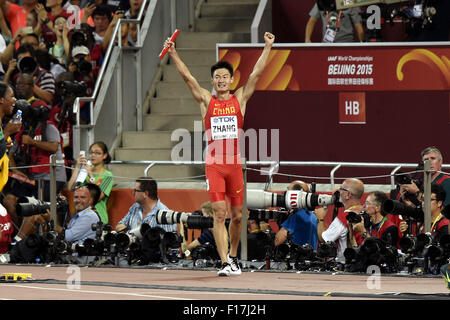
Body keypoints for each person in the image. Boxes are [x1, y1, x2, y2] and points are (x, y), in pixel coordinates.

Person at [165, 31, 275, 276]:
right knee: (219, 213)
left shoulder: (240, 99)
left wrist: (267, 47)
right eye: (217, 77)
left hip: (234, 166)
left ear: (231, 79)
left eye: (225, 76)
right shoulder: (206, 100)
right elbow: (188, 78)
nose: (221, 80)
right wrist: (173, 53)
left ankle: (233, 257)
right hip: (214, 164)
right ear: (213, 81)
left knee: (237, 217)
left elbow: (257, 73)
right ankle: (224, 261)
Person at [315, 178, 364, 262]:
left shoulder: (343, 218)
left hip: (346, 266)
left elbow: (324, 239)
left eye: (341, 189)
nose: (338, 191)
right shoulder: (365, 211)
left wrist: (320, 218)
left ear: (348, 195)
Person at [67, 141, 114, 223]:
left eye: (97, 153)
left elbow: (98, 197)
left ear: (105, 155)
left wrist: (91, 175)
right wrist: (78, 166)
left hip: (98, 217)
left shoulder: (108, 175)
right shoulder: (84, 172)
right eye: (91, 152)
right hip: (81, 217)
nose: (93, 155)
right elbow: (70, 187)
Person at [274, 180, 318, 250]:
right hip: (310, 257)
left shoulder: (297, 216)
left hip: (297, 258)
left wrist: (281, 226)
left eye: (288, 191)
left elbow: (277, 241)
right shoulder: (312, 215)